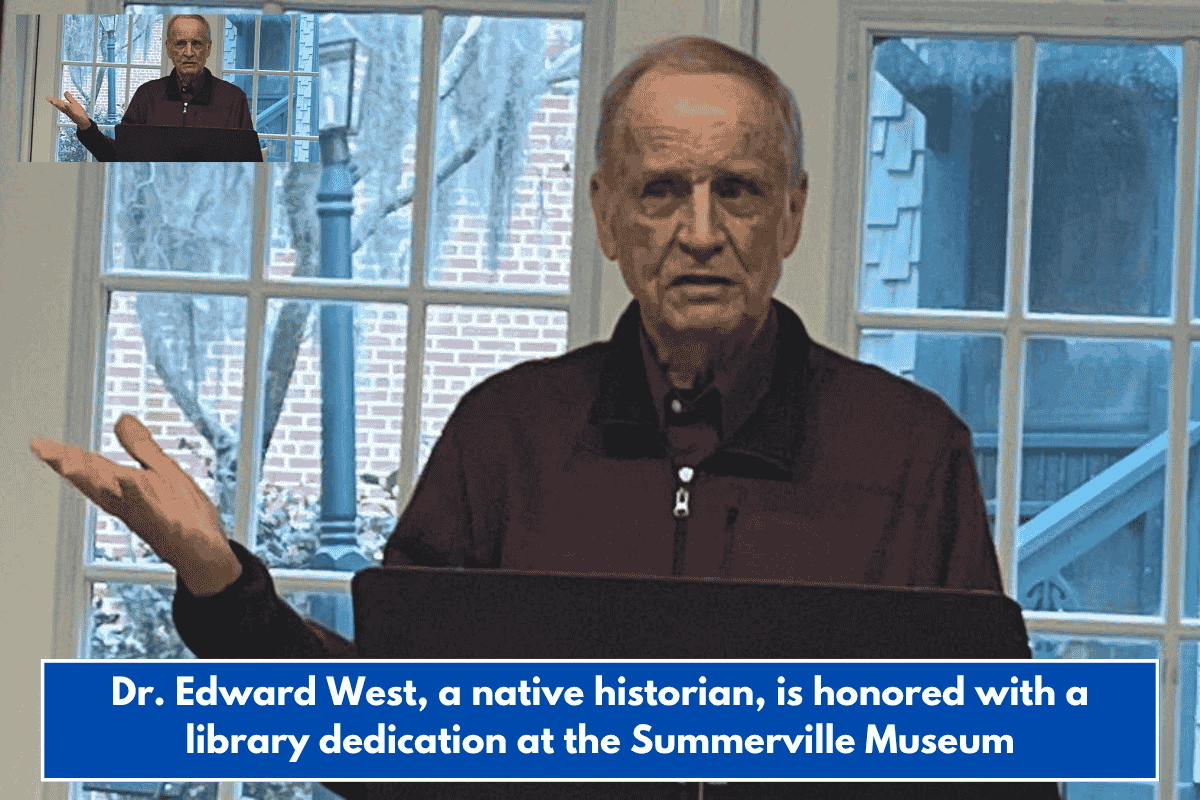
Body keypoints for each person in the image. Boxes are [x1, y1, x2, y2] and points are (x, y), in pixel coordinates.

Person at [32, 36, 1047, 800]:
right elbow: (393, 745)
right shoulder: (504, 435)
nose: (701, 230)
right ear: (606, 214)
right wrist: (222, 586)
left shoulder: (911, 449)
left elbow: (1001, 771)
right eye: (661, 191)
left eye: (737, 189)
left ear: (791, 213)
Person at [45, 14, 254, 162]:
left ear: (208, 48)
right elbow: (120, 157)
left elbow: (248, 169)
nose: (189, 52)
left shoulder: (233, 99)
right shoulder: (147, 95)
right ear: (169, 49)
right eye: (181, 43)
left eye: (197, 43)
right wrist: (86, 127)